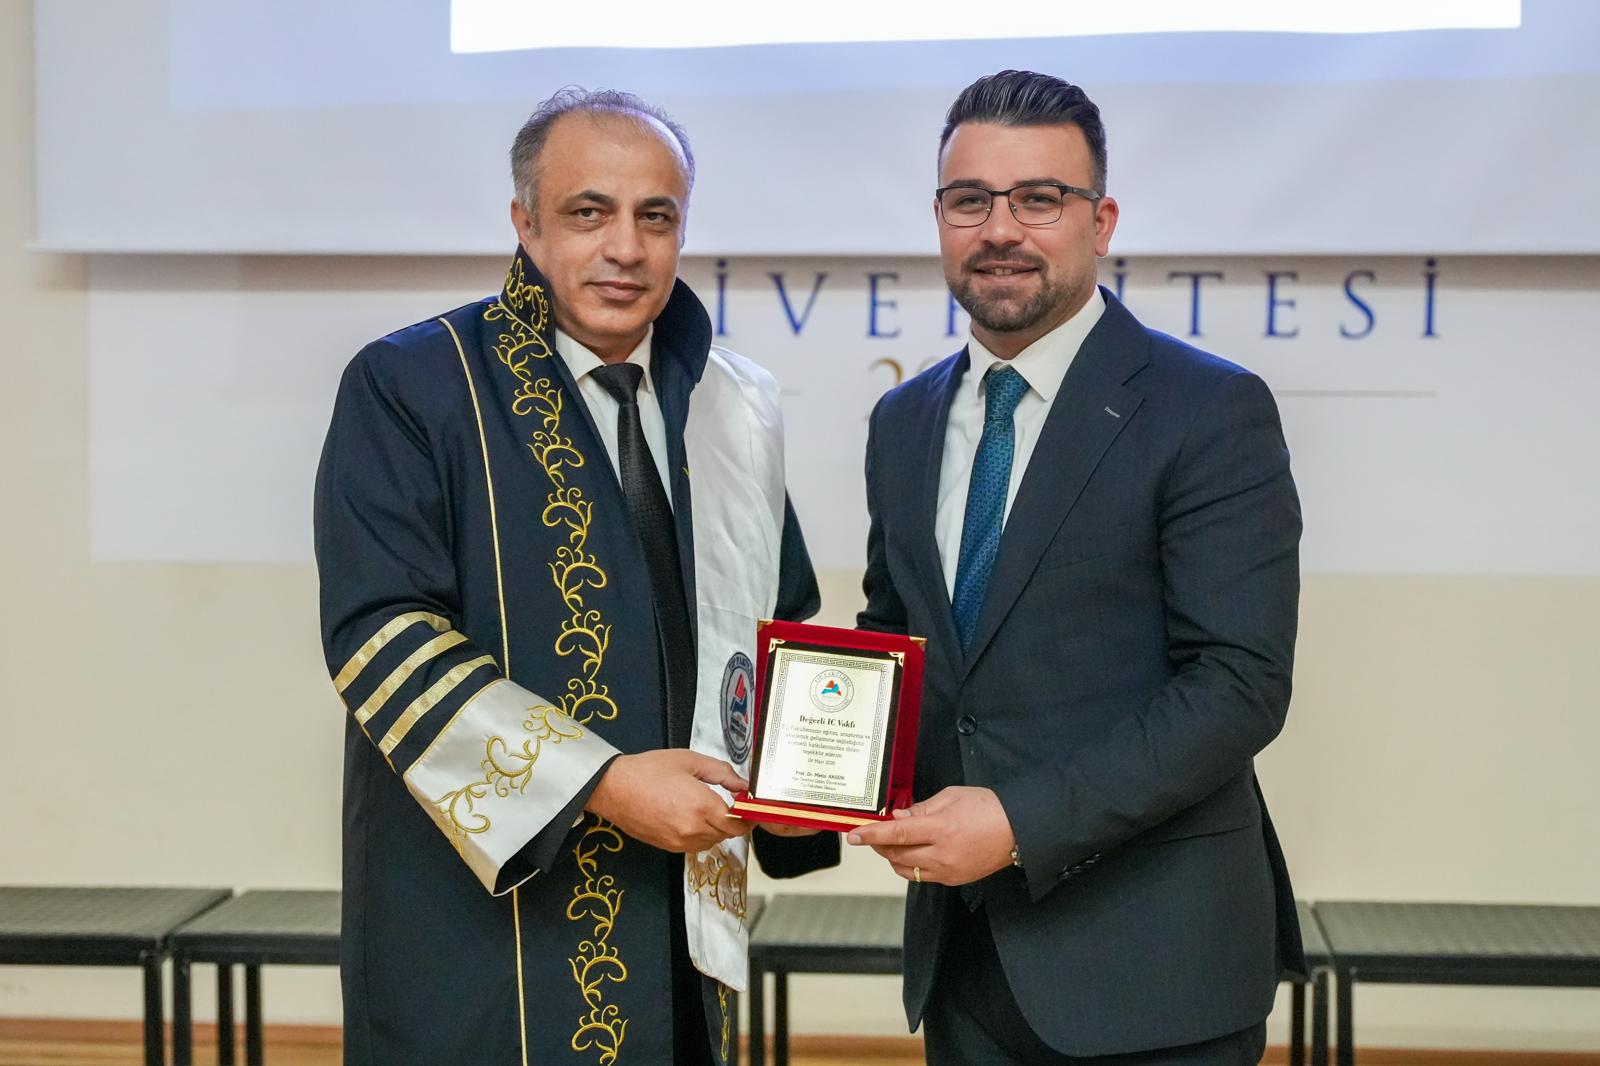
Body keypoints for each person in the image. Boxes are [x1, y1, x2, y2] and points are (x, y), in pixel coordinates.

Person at [314, 87, 836, 1066]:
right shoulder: (413, 384)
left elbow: (784, 618)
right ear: (526, 223)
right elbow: (381, 635)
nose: (624, 248)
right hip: (483, 931)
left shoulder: (738, 403)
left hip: (685, 909)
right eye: (588, 212)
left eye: (656, 217)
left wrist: (821, 781)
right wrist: (600, 782)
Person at [849, 70, 1305, 1064]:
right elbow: (897, 638)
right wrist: (802, 771)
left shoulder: (1206, 409)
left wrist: (1018, 822)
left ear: (1100, 222)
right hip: (966, 960)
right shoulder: (903, 422)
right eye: (970, 200)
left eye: (1038, 199)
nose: (999, 230)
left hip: (1155, 971)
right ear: (939, 219)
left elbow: (1238, 685)